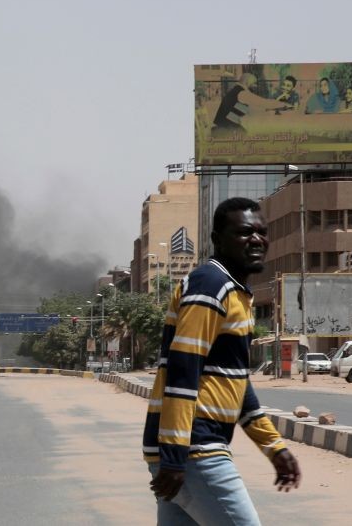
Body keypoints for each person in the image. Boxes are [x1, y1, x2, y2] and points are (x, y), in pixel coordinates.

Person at [144, 197, 301, 525]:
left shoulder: (235, 292)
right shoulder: (211, 285)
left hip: (187, 450)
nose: (256, 240)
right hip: (195, 449)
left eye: (261, 232)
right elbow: (183, 371)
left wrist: (274, 447)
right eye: (245, 233)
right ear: (217, 239)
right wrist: (175, 457)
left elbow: (237, 384)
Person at [212, 73, 289, 133]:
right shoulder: (242, 93)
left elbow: (248, 110)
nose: (254, 86)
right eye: (253, 83)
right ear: (247, 82)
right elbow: (264, 103)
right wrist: (282, 104)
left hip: (224, 126)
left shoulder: (234, 91)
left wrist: (267, 109)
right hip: (226, 129)